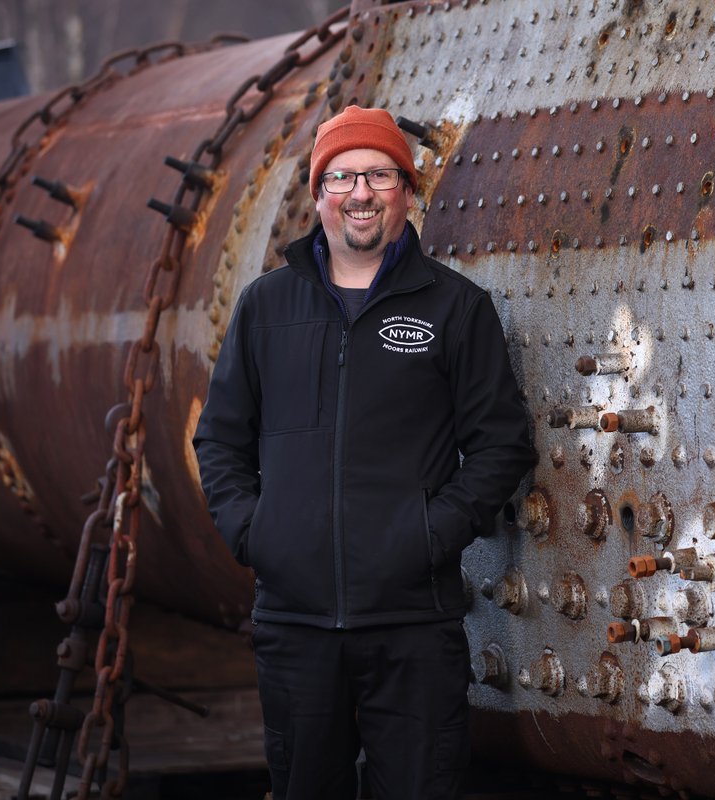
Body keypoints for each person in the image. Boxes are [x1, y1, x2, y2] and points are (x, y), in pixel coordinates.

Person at [193, 104, 533, 800]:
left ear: (407, 190)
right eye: (342, 176)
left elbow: (502, 444)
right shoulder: (266, 307)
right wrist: (258, 535)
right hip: (295, 625)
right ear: (319, 194)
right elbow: (220, 438)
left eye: (379, 174)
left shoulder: (455, 308)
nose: (360, 192)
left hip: (413, 624)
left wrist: (429, 535)